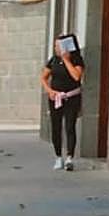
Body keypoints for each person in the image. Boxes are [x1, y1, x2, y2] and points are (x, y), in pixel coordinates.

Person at [40, 34, 85, 170]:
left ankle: (70, 157)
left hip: (71, 97)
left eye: (58, 46)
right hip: (56, 97)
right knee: (56, 126)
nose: (56, 48)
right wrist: (49, 90)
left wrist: (66, 61)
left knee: (70, 126)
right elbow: (43, 77)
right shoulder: (53, 60)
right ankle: (58, 157)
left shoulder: (77, 60)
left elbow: (76, 76)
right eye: (55, 46)